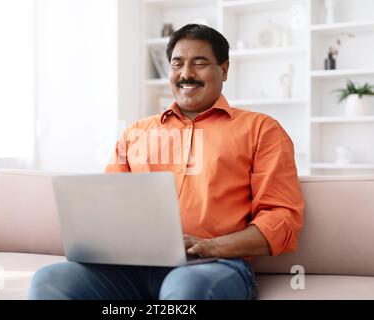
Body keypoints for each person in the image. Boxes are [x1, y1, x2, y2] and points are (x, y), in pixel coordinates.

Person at [29, 24, 304, 300]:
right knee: (51, 280)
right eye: (177, 64)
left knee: (186, 290)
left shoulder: (261, 130)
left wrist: (213, 247)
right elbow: (106, 209)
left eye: (200, 63)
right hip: (128, 268)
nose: (186, 74)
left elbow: (281, 219)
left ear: (224, 70)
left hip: (213, 265)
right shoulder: (136, 133)